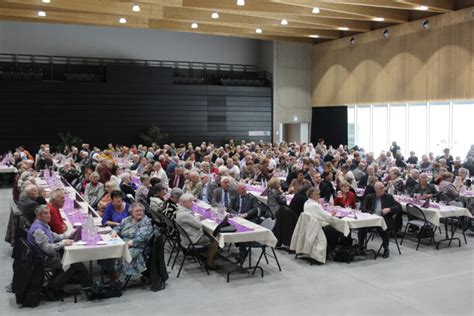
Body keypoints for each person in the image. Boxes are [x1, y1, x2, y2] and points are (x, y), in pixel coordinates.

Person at [27, 205, 89, 292]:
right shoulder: (38, 230)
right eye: (45, 213)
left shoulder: (43, 224)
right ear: (38, 216)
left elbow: (55, 237)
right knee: (72, 263)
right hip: (43, 259)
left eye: (49, 213)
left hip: (48, 255)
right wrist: (63, 243)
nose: (49, 215)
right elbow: (47, 248)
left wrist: (70, 235)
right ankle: (54, 288)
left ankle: (84, 284)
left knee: (74, 260)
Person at [175, 194, 219, 269]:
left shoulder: (180, 210)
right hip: (193, 238)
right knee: (216, 241)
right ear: (184, 202)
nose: (192, 203)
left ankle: (207, 256)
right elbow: (198, 225)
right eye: (190, 201)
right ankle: (210, 263)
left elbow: (193, 219)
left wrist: (202, 217)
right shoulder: (185, 214)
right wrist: (203, 218)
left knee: (210, 234)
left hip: (186, 237)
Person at [358, 182, 402, 258]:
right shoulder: (369, 197)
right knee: (361, 228)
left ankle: (386, 249)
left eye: (383, 187)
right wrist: (372, 214)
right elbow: (362, 208)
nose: (383, 189)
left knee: (383, 229)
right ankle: (361, 247)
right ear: (376, 189)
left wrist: (389, 209)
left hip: (384, 220)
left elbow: (399, 207)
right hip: (371, 220)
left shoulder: (389, 197)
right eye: (380, 188)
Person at [111, 203, 154, 277]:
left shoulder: (146, 222)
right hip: (124, 243)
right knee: (110, 251)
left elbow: (141, 238)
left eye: (141, 211)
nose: (139, 213)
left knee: (119, 254)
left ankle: (116, 277)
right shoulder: (127, 220)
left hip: (138, 247)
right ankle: (112, 273)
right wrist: (114, 232)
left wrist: (127, 244)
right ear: (132, 213)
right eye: (136, 211)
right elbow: (118, 227)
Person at [303, 188, 341, 252]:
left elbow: (320, 214)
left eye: (318, 194)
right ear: (311, 195)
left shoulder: (306, 203)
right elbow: (326, 217)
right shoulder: (315, 205)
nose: (319, 196)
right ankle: (332, 249)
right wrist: (332, 214)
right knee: (337, 231)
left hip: (310, 226)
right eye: (316, 194)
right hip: (318, 227)